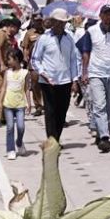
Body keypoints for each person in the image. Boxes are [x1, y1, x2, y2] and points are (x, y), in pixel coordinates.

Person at [77, 4, 110, 153]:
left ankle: (100, 133)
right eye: (105, 14)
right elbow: (85, 52)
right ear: (100, 16)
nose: (108, 17)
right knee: (99, 104)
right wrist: (85, 72)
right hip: (96, 73)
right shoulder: (91, 31)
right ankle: (105, 137)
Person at [31, 8, 80, 142]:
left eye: (63, 22)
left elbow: (73, 60)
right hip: (48, 82)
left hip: (65, 81)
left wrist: (75, 80)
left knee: (62, 112)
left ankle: (56, 137)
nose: (60, 25)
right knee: (50, 112)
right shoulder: (44, 38)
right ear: (52, 22)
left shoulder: (69, 38)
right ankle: (53, 141)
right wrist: (43, 73)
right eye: (57, 22)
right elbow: (35, 59)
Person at [0, 17, 21, 126]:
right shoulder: (0, 33)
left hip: (1, 67)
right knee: (1, 88)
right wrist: (1, 64)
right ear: (12, 27)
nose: (17, 32)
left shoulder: (9, 37)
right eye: (17, 29)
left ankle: (2, 115)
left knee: (4, 88)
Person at [0, 47, 30, 160]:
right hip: (8, 104)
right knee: (10, 127)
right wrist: (0, 102)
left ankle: (19, 142)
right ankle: (10, 149)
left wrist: (29, 103)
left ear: (17, 59)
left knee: (21, 127)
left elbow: (27, 89)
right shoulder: (7, 73)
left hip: (20, 105)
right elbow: (3, 88)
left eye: (10, 59)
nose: (8, 61)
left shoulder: (25, 73)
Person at [20, 17, 45, 116]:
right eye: (37, 21)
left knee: (47, 85)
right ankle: (38, 106)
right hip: (34, 63)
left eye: (40, 20)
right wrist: (26, 58)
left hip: (47, 63)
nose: (39, 22)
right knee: (35, 85)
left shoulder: (47, 32)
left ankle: (47, 106)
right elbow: (25, 47)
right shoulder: (29, 33)